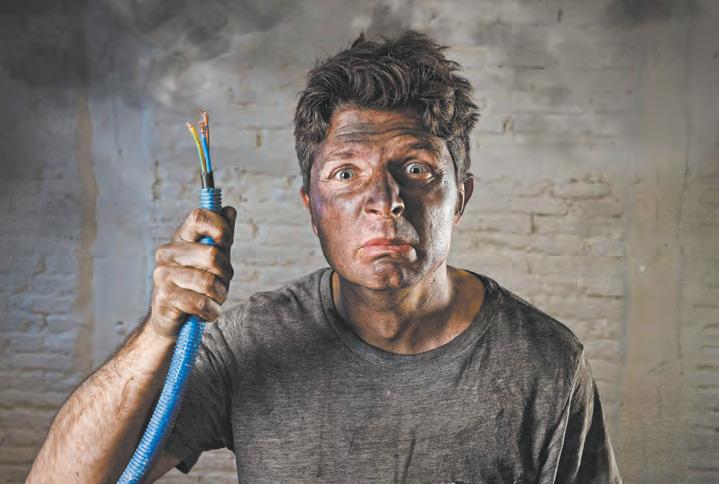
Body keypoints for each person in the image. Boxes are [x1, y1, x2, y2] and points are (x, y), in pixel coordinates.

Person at [28, 30, 622, 483]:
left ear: (460, 198)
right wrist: (159, 332)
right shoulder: (251, 344)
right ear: (311, 206)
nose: (385, 200)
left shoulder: (545, 362)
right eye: (346, 174)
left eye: (416, 169)